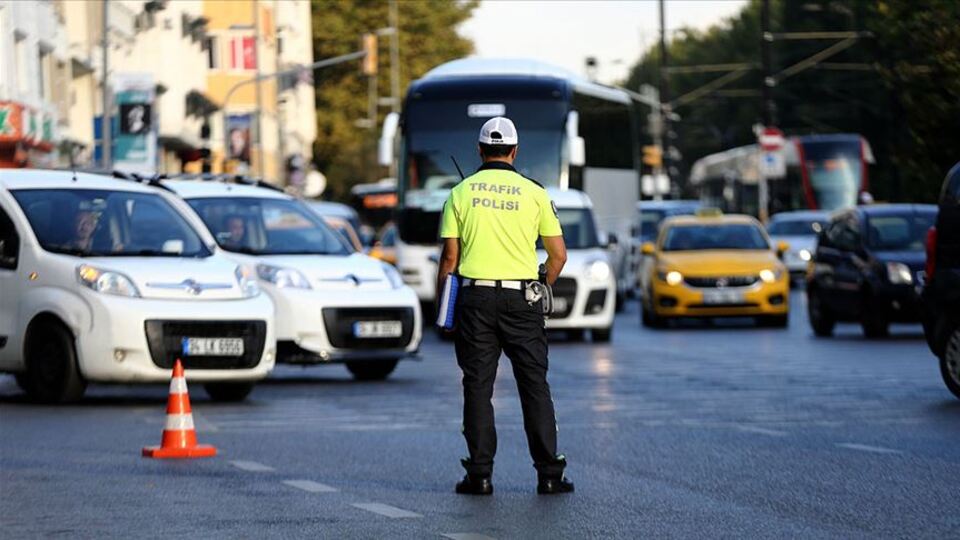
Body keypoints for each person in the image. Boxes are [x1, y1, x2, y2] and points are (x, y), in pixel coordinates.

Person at [436, 116, 573, 496]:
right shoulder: (534, 193)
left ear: (480, 150)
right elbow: (558, 256)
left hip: (475, 300)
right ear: (514, 151)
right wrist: (540, 286)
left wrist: (445, 308)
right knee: (533, 385)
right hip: (522, 299)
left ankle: (479, 475)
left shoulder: (460, 193)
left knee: (478, 386)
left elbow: (449, 260)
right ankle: (549, 474)